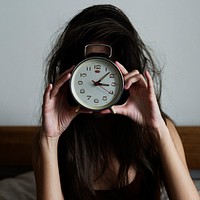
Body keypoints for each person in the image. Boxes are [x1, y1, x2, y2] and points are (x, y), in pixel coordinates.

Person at [32, 4, 200, 200]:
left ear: (126, 72)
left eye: (108, 70)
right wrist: (49, 140)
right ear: (71, 74)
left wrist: (157, 130)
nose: (97, 82)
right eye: (89, 70)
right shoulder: (49, 140)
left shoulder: (161, 130)